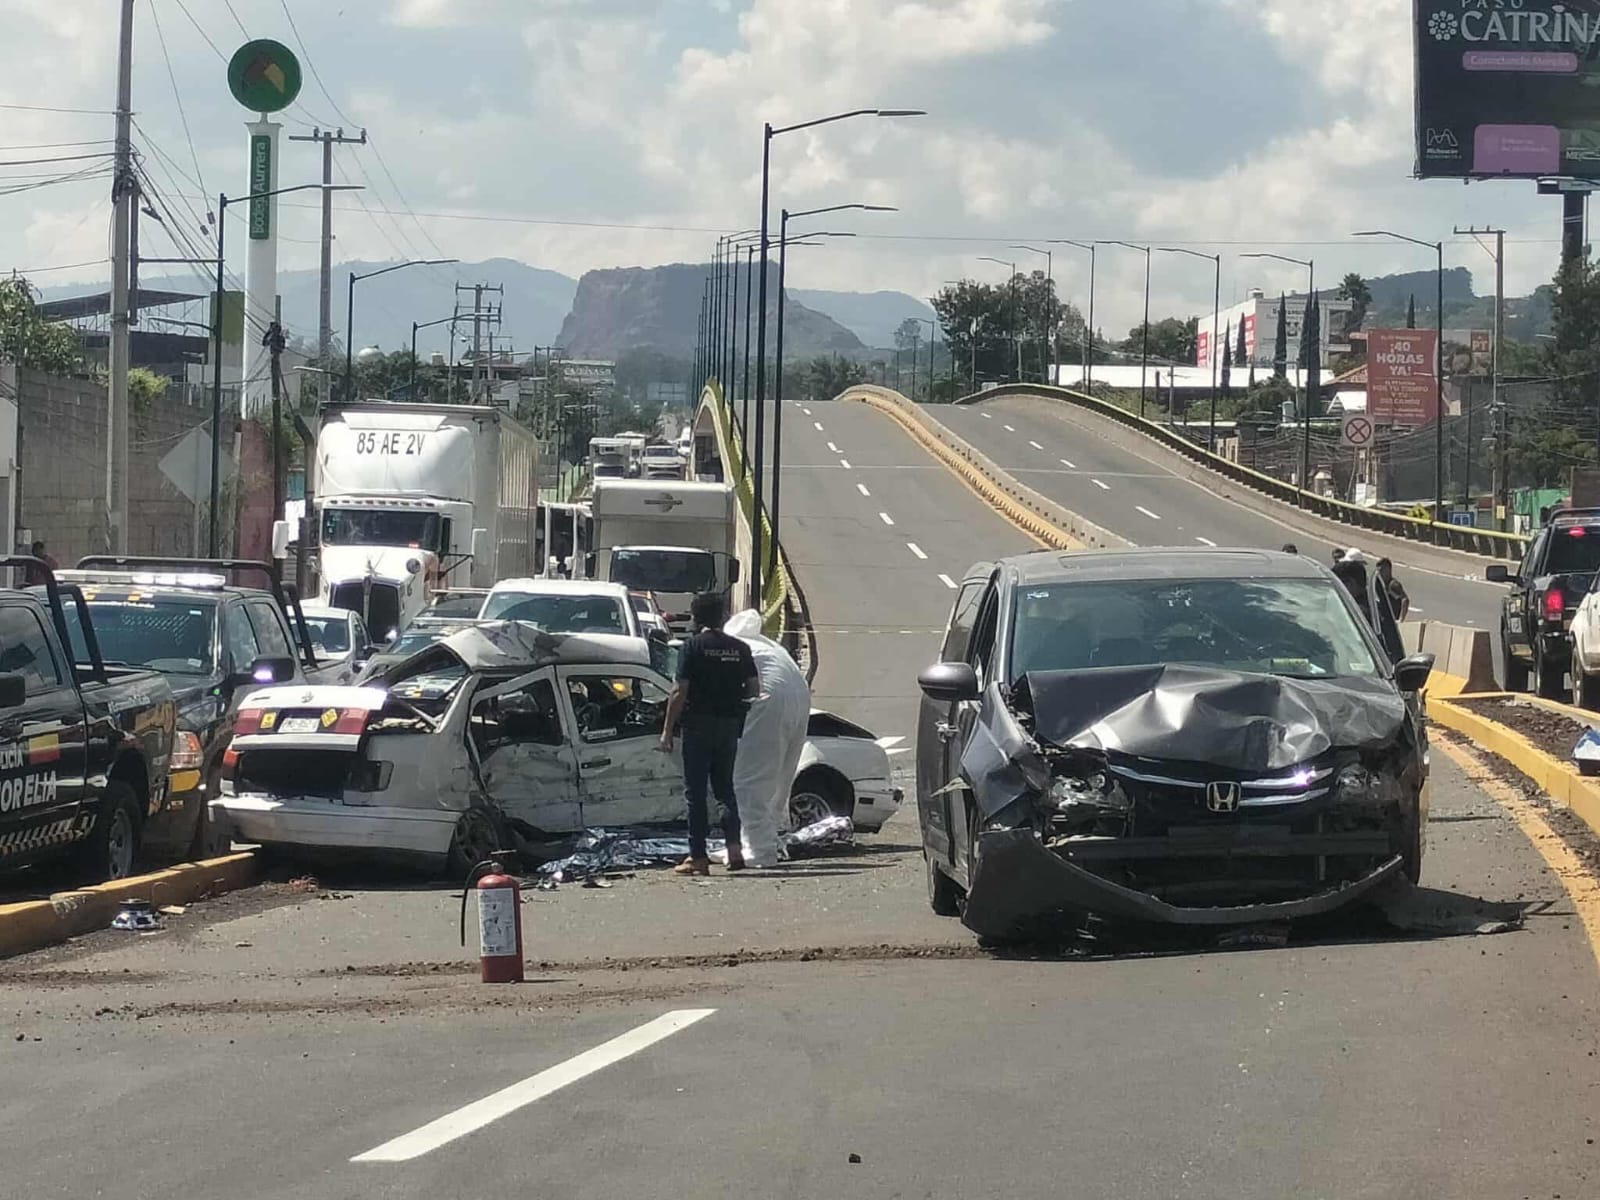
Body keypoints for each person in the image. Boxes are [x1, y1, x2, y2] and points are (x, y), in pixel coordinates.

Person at [659, 591, 759, 876]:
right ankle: (735, 852)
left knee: (696, 794)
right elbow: (754, 689)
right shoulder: (740, 648)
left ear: (696, 617)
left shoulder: (692, 647)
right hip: (728, 727)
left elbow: (679, 691)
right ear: (722, 616)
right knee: (726, 791)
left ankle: (698, 858)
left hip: (698, 727)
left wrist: (667, 730)